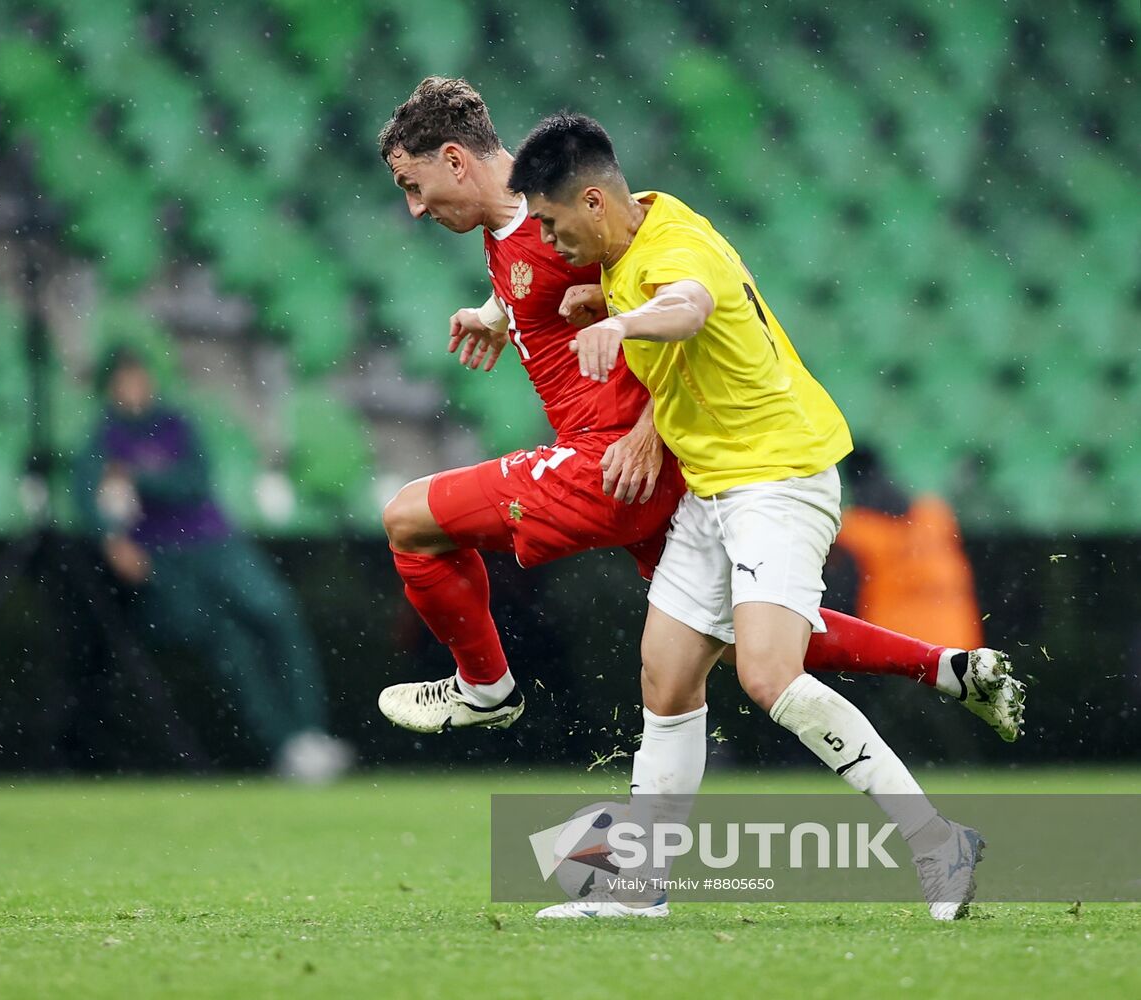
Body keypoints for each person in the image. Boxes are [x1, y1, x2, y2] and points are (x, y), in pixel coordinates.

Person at [374, 78, 1023, 742]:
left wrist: (648, 429)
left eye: (413, 185)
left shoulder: (572, 222)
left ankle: (485, 688)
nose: (416, 207)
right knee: (754, 634)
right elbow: (550, 286)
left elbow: (687, 311)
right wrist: (493, 315)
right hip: (635, 471)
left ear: (455, 159)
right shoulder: (528, 223)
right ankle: (952, 670)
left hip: (604, 461)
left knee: (409, 520)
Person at [509, 112, 1002, 920]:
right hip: (715, 488)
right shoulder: (635, 237)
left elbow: (692, 306)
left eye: (557, 225)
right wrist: (592, 332)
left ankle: (936, 840)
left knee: (768, 675)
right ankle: (637, 889)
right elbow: (670, 315)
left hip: (779, 481)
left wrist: (622, 323)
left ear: (594, 202)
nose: (553, 243)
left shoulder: (674, 253)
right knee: (665, 677)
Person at [75, 349, 353, 783]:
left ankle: (311, 732)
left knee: (277, 615)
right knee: (227, 643)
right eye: (123, 380)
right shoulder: (102, 437)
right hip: (163, 558)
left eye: (138, 378)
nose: (132, 389)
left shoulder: (175, 425)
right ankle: (286, 745)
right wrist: (112, 537)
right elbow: (89, 500)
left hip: (214, 542)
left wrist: (137, 478)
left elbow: (192, 483)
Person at [830, 447, 985, 651]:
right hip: (956, 641)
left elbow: (837, 599)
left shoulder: (853, 530)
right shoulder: (935, 514)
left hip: (897, 648)